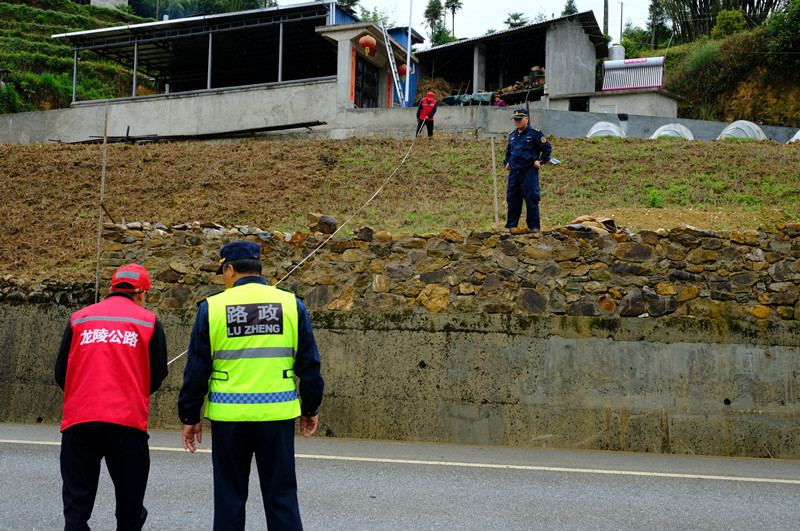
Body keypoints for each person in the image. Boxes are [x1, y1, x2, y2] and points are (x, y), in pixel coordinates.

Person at [179, 240, 324, 531]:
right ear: (259, 267)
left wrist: (189, 416)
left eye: (223, 270)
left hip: (229, 417)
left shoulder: (213, 307)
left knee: (230, 500)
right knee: (282, 498)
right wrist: (310, 407)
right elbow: (309, 364)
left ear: (230, 269)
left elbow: (196, 369)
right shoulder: (290, 304)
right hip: (277, 416)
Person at [55, 264, 168, 531]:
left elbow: (62, 373)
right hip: (126, 423)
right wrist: (132, 390)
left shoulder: (80, 318)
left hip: (79, 421)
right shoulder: (149, 322)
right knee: (129, 506)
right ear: (141, 293)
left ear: (111, 288)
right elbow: (157, 375)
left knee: (76, 508)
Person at [503, 108, 552, 233]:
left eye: (520, 119)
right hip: (514, 173)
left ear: (527, 119)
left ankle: (534, 228)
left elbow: (547, 148)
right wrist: (507, 163)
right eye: (515, 120)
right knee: (513, 200)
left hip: (528, 172)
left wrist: (540, 161)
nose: (517, 122)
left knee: (531, 200)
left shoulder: (535, 133)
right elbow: (508, 152)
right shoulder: (512, 135)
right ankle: (511, 226)